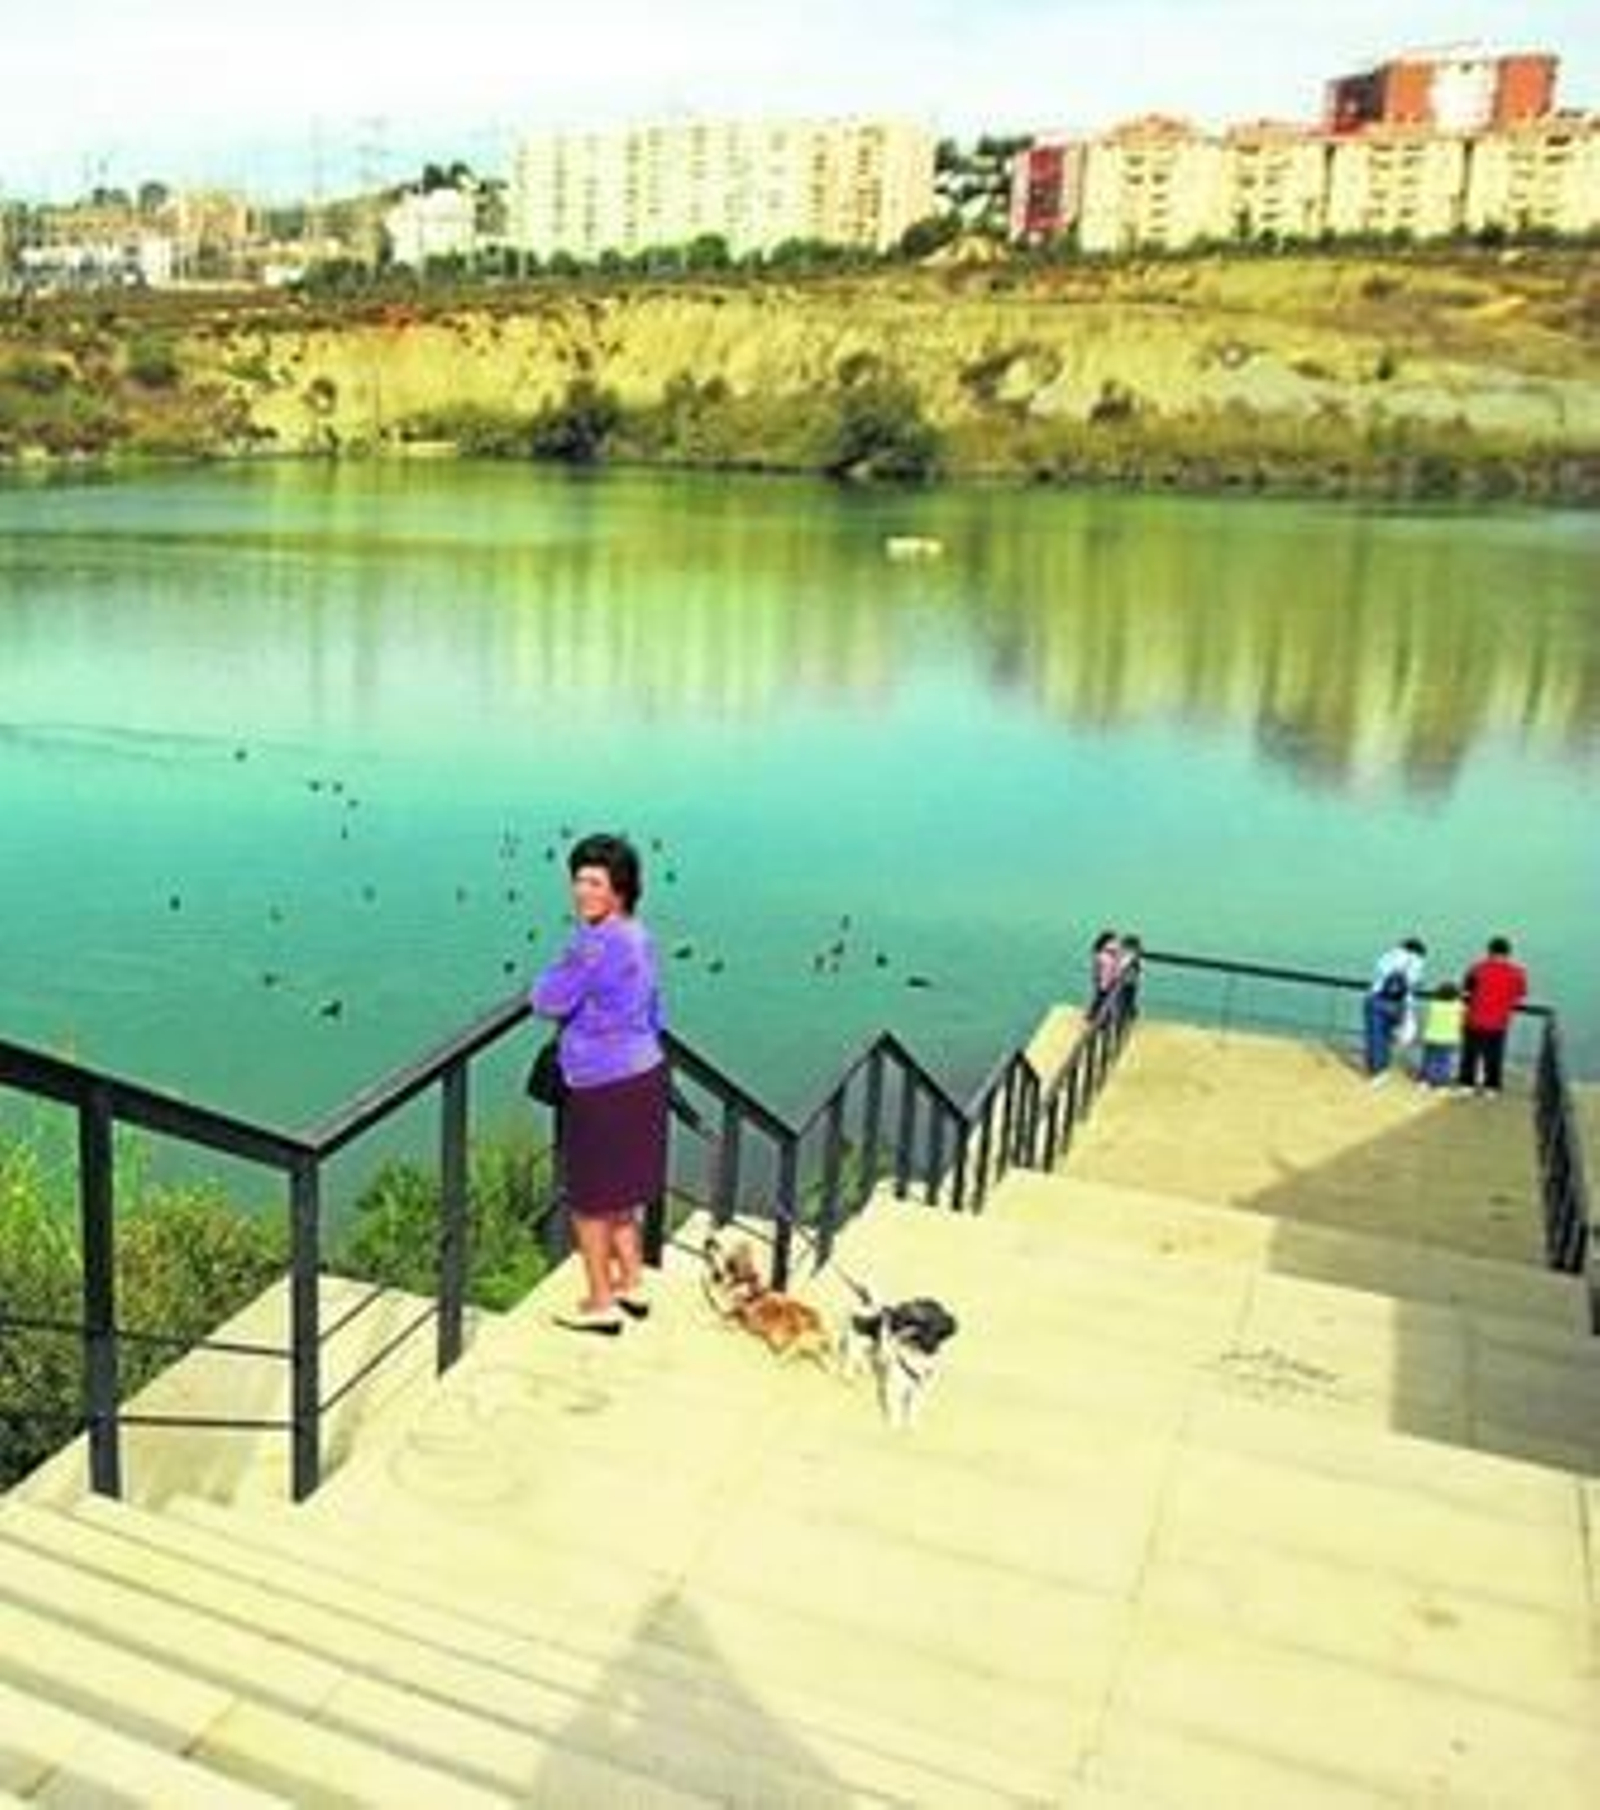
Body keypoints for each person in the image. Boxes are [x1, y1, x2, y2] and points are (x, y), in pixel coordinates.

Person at [530, 833, 668, 1335]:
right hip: (644, 1072)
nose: (581, 891)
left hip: (601, 1082)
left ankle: (600, 1301)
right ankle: (632, 1282)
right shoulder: (639, 935)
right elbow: (655, 1008)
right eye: (578, 880)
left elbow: (547, 999)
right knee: (621, 1190)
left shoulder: (594, 945)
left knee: (589, 1199)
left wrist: (549, 979)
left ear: (619, 889)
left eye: (594, 882)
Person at [1458, 935, 1528, 1097]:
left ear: (1489, 952)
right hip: (1499, 1021)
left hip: (1474, 1018)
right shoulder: (1518, 973)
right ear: (1508, 953)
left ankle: (1466, 1084)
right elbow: (1521, 994)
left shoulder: (1476, 969)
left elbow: (1466, 992)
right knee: (1495, 1055)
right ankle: (1491, 1087)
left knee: (1470, 1053)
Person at [1364, 937, 1426, 1082]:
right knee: (1388, 1036)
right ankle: (1385, 1065)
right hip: (1398, 1004)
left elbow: (1378, 971)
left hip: (1375, 998)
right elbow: (1414, 982)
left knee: (1375, 1037)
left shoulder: (1388, 955)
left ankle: (1376, 1071)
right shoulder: (1416, 960)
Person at [1418, 981, 1463, 1090]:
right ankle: (1440, 1082)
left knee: (1429, 1059)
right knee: (1445, 1061)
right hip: (1449, 1038)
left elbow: (1425, 1017)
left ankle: (1425, 1080)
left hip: (1431, 1036)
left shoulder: (1433, 1005)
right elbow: (1462, 1021)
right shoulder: (1459, 1006)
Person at [1088, 930, 1121, 1017]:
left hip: (1107, 979)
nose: (1116, 943)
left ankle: (1094, 1014)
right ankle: (1095, 1014)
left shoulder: (1109, 953)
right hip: (1104, 979)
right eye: (1114, 940)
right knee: (1103, 998)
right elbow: (1098, 968)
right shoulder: (1101, 954)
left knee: (1102, 997)